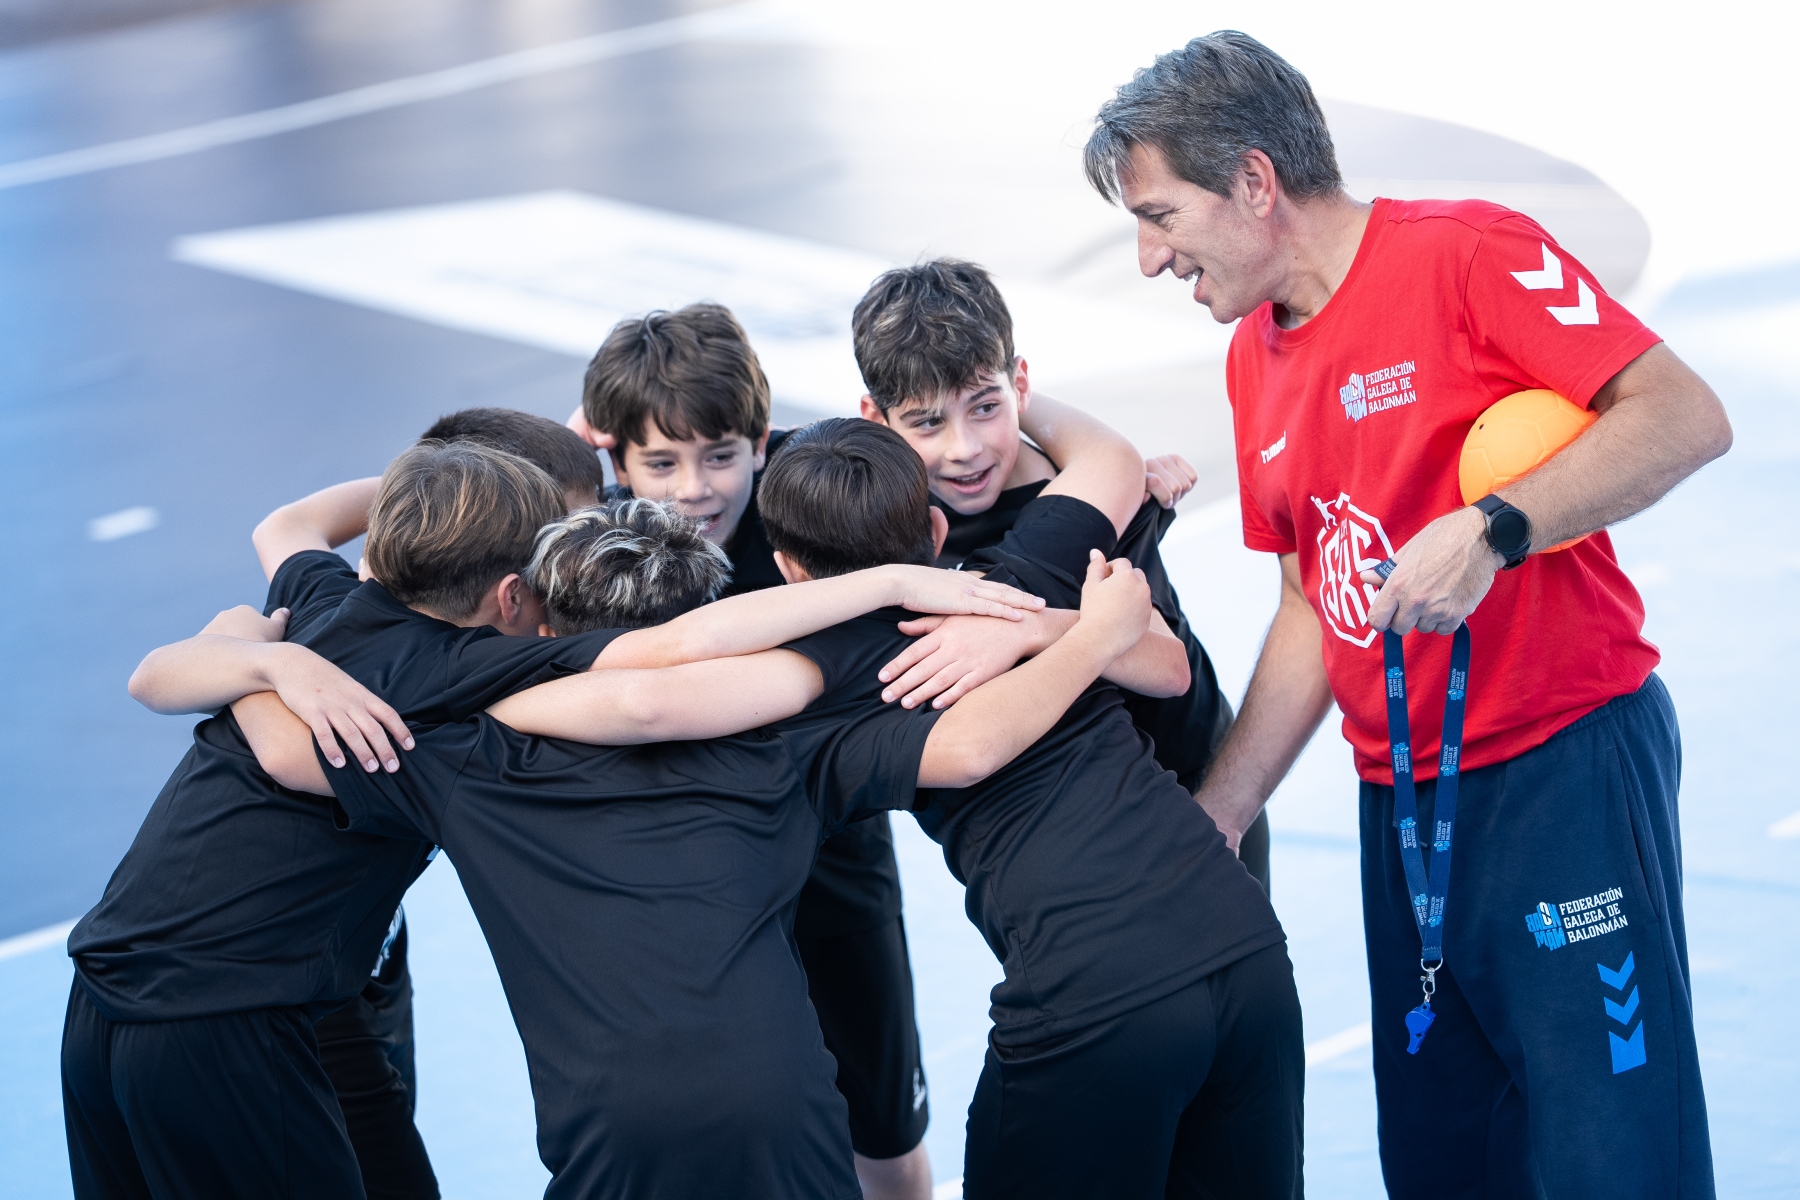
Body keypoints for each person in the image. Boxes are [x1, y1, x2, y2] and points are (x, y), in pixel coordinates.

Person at [1085, 31, 1732, 1200]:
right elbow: (1310, 601)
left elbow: (1684, 417)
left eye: (1160, 215)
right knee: (1443, 1163)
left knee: (1615, 1163)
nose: (1147, 257)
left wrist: (1496, 528)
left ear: (1254, 181)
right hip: (1404, 808)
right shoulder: (1254, 358)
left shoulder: (1468, 256)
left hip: (1562, 772)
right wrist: (1221, 811)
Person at [70, 440, 1037, 1200]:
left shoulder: (371, 654)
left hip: (109, 986)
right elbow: (660, 676)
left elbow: (279, 543)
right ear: (510, 599)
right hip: (226, 1019)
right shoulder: (481, 689)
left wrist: (255, 657)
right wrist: (900, 588)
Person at [754, 421, 1303, 1200]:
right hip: (1247, 949)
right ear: (935, 529)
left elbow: (650, 694)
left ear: (789, 571)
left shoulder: (813, 700)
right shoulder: (1025, 574)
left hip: (1094, 995)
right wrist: (1008, 393)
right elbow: (1110, 460)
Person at [571, 302, 932, 1197]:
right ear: (612, 457)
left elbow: (959, 454)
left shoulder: (814, 498)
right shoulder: (589, 552)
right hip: (688, 902)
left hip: (835, 873)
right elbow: (443, 511)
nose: (696, 489)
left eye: (721, 455)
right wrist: (564, 454)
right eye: (662, 462)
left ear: (763, 443)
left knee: (885, 1132)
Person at [849, 258, 1274, 890]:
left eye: (984, 407)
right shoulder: (888, 528)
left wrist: (1033, 626)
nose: (964, 448)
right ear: (876, 418)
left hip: (1190, 790)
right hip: (1041, 843)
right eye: (928, 421)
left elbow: (1166, 667)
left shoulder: (1095, 494)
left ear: (1020, 386)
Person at [317, 406, 607, 1200]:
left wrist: (428, 487)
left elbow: (286, 526)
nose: (577, 563)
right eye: (561, 538)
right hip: (297, 994)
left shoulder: (341, 610)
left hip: (365, 950)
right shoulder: (472, 665)